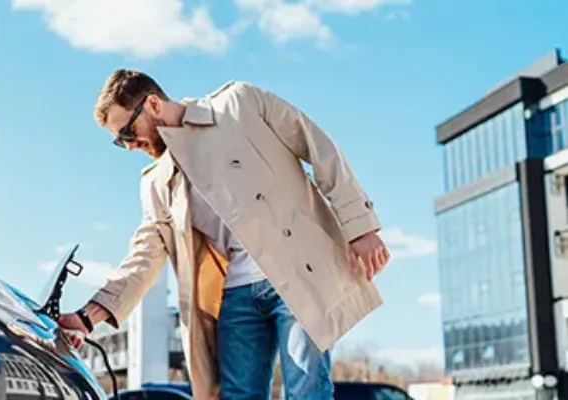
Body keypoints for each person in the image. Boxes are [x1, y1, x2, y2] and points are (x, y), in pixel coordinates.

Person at [58, 69, 390, 400]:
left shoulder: (237, 104)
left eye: (127, 132)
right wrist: (88, 317)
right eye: (120, 141)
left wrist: (361, 226)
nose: (129, 146)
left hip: (296, 269)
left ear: (154, 104)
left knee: (306, 390)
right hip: (237, 295)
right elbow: (143, 256)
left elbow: (319, 148)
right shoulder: (156, 181)